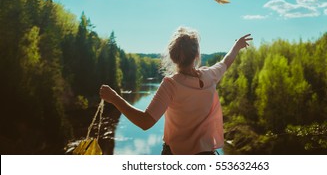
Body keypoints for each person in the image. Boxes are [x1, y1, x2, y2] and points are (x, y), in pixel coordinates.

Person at [99, 27, 252, 155]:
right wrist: (237, 45)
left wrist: (114, 98)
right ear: (197, 55)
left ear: (172, 57)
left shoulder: (170, 84)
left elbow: (145, 122)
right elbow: (226, 61)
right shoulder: (210, 75)